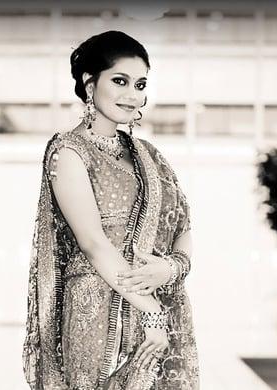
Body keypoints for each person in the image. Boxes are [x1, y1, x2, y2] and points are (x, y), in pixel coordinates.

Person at [23, 30, 199, 389]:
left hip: (161, 302)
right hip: (98, 309)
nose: (132, 95)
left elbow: (182, 228)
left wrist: (169, 268)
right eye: (120, 81)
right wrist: (152, 313)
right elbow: (92, 242)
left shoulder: (150, 156)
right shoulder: (69, 152)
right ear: (90, 84)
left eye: (140, 84)